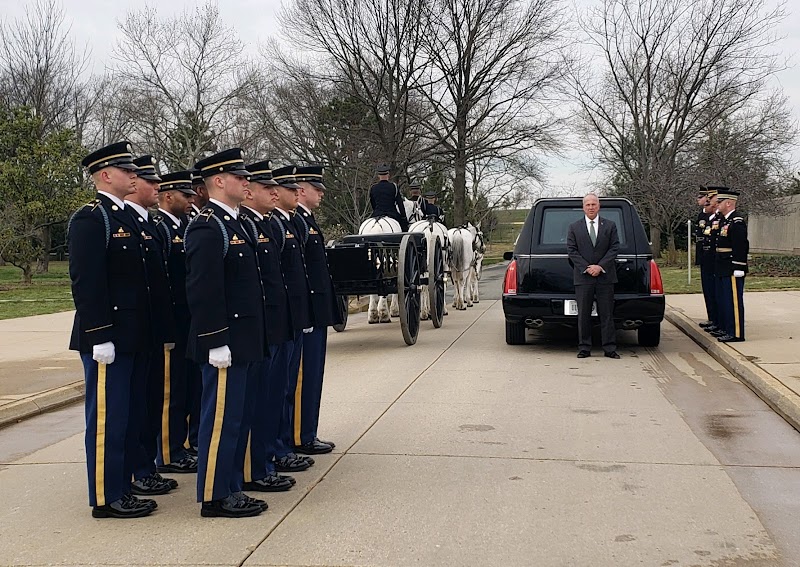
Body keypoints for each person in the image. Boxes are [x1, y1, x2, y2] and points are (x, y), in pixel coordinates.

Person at [69, 141, 156, 518]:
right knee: (108, 418)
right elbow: (86, 282)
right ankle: (106, 496)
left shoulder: (127, 218)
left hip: (131, 335)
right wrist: (99, 333)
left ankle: (123, 486)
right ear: (105, 175)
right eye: (127, 170)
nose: (134, 176)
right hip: (108, 337)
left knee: (128, 415)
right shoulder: (92, 218)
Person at [185, 148, 267, 518]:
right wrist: (215, 339)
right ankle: (215, 496)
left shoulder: (233, 223)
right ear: (218, 181)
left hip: (244, 340)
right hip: (225, 341)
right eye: (239, 176)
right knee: (220, 419)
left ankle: (231, 486)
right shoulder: (208, 225)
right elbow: (203, 289)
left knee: (237, 417)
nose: (246, 181)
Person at [238, 160, 297, 493]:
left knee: (271, 397)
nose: (274, 192)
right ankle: (256, 466)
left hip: (274, 325)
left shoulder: (264, 225)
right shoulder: (245, 225)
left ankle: (264, 462)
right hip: (259, 329)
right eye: (267, 187)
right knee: (257, 403)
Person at [124, 155, 179, 498]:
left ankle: (146, 468)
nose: (156, 187)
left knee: (148, 404)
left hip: (151, 331)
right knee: (130, 410)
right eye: (149, 181)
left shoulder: (148, 226)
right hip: (128, 332)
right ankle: (135, 471)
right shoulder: (102, 220)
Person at [151, 170, 201, 474]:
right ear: (168, 196)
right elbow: (162, 281)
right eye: (185, 195)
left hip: (188, 320)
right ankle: (168, 453)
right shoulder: (160, 229)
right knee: (171, 391)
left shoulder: (184, 226)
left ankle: (182, 446)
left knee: (186, 387)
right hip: (173, 321)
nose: (191, 199)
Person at [269, 165, 316, 473]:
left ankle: (282, 445)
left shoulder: (290, 222)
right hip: (277, 321)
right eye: (290, 189)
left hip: (291, 317)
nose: (295, 193)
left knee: (284, 387)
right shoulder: (274, 224)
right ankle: (277, 448)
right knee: (277, 389)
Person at [292, 165, 341, 455]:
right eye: (315, 187)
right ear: (300, 189)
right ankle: (300, 435)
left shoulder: (306, 220)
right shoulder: (297, 221)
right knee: (304, 377)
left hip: (316, 310)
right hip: (307, 312)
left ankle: (307, 430)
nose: (321, 192)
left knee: (313, 375)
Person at [566, 193, 621, 359]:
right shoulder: (574, 227)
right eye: (588, 204)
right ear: (583, 207)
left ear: (599, 206)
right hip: (583, 278)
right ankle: (584, 347)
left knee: (607, 314)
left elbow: (614, 248)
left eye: (594, 204)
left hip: (605, 277)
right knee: (583, 315)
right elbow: (571, 251)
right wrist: (587, 267)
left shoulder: (610, 226)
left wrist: (600, 266)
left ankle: (610, 348)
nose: (591, 207)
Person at [712, 188, 748, 342]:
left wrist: (739, 266)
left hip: (732, 266)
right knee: (724, 300)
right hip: (723, 265)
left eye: (720, 202)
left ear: (728, 203)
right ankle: (727, 329)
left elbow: (741, 246)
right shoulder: (726, 221)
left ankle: (736, 333)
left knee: (733, 301)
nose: (717, 204)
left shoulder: (737, 222)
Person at [696, 187, 719, 330]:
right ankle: (712, 318)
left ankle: (716, 319)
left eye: (706, 200)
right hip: (704, 258)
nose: (703, 202)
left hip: (713, 259)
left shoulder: (716, 219)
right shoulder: (702, 216)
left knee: (714, 290)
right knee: (707, 290)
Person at [369, 163, 409, 231]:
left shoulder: (373, 188)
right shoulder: (394, 186)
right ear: (388, 175)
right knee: (404, 228)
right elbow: (400, 204)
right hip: (392, 213)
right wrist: (404, 217)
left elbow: (373, 204)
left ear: (379, 175)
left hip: (377, 213)